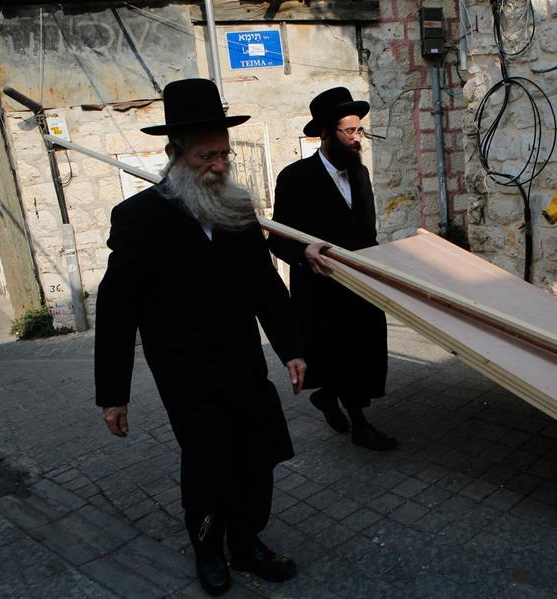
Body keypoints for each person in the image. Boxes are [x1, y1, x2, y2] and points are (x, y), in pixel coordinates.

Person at [94, 78, 305, 596]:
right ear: (174, 154)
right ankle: (208, 551)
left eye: (223, 155)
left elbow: (266, 288)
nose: (218, 166)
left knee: (257, 454)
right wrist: (113, 394)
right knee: (210, 464)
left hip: (243, 364)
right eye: (205, 156)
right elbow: (115, 312)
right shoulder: (139, 219)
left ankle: (247, 542)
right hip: (186, 374)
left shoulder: (235, 209)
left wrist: (292, 348)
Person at [268, 87, 396, 451]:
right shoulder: (295, 178)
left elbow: (365, 231)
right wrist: (303, 253)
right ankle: (360, 426)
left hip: (362, 285)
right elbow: (276, 239)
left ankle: (327, 398)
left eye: (360, 130)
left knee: (364, 355)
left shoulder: (360, 174)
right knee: (341, 356)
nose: (358, 139)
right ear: (324, 133)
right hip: (321, 291)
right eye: (349, 131)